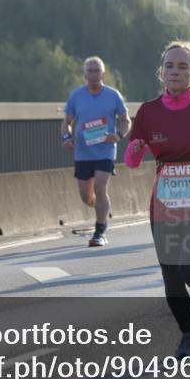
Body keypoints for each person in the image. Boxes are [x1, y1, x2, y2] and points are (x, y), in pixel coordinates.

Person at [125, 41, 190, 359]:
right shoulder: (148, 111)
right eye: (169, 66)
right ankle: (188, 335)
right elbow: (132, 159)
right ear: (161, 73)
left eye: (182, 66)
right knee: (171, 275)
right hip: (165, 201)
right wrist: (134, 149)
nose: (175, 71)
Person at [61, 57, 131, 246]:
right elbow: (66, 123)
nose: (93, 74)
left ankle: (100, 231)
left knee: (100, 188)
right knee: (86, 196)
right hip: (83, 152)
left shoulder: (113, 95)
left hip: (105, 151)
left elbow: (126, 121)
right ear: (85, 74)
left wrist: (118, 135)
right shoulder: (76, 96)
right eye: (90, 71)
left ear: (103, 73)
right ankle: (102, 206)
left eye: (96, 70)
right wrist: (67, 138)